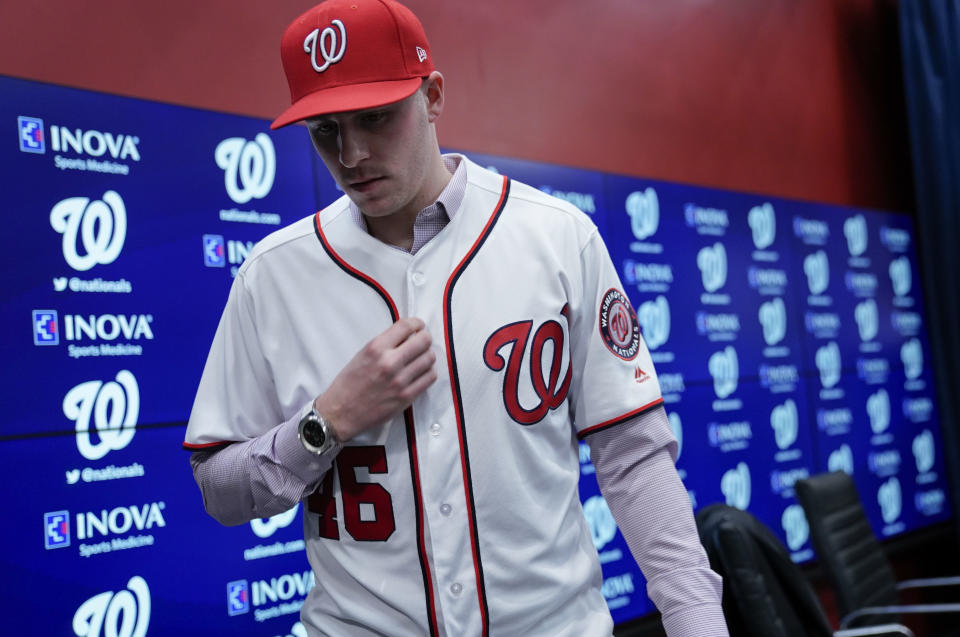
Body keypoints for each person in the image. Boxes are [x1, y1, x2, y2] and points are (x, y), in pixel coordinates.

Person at [184, 1, 728, 635]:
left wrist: (697, 622)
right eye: (326, 129)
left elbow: (632, 455)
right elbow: (219, 492)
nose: (352, 153)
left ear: (432, 95)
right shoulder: (271, 274)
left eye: (376, 117)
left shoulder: (557, 238)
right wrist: (323, 424)